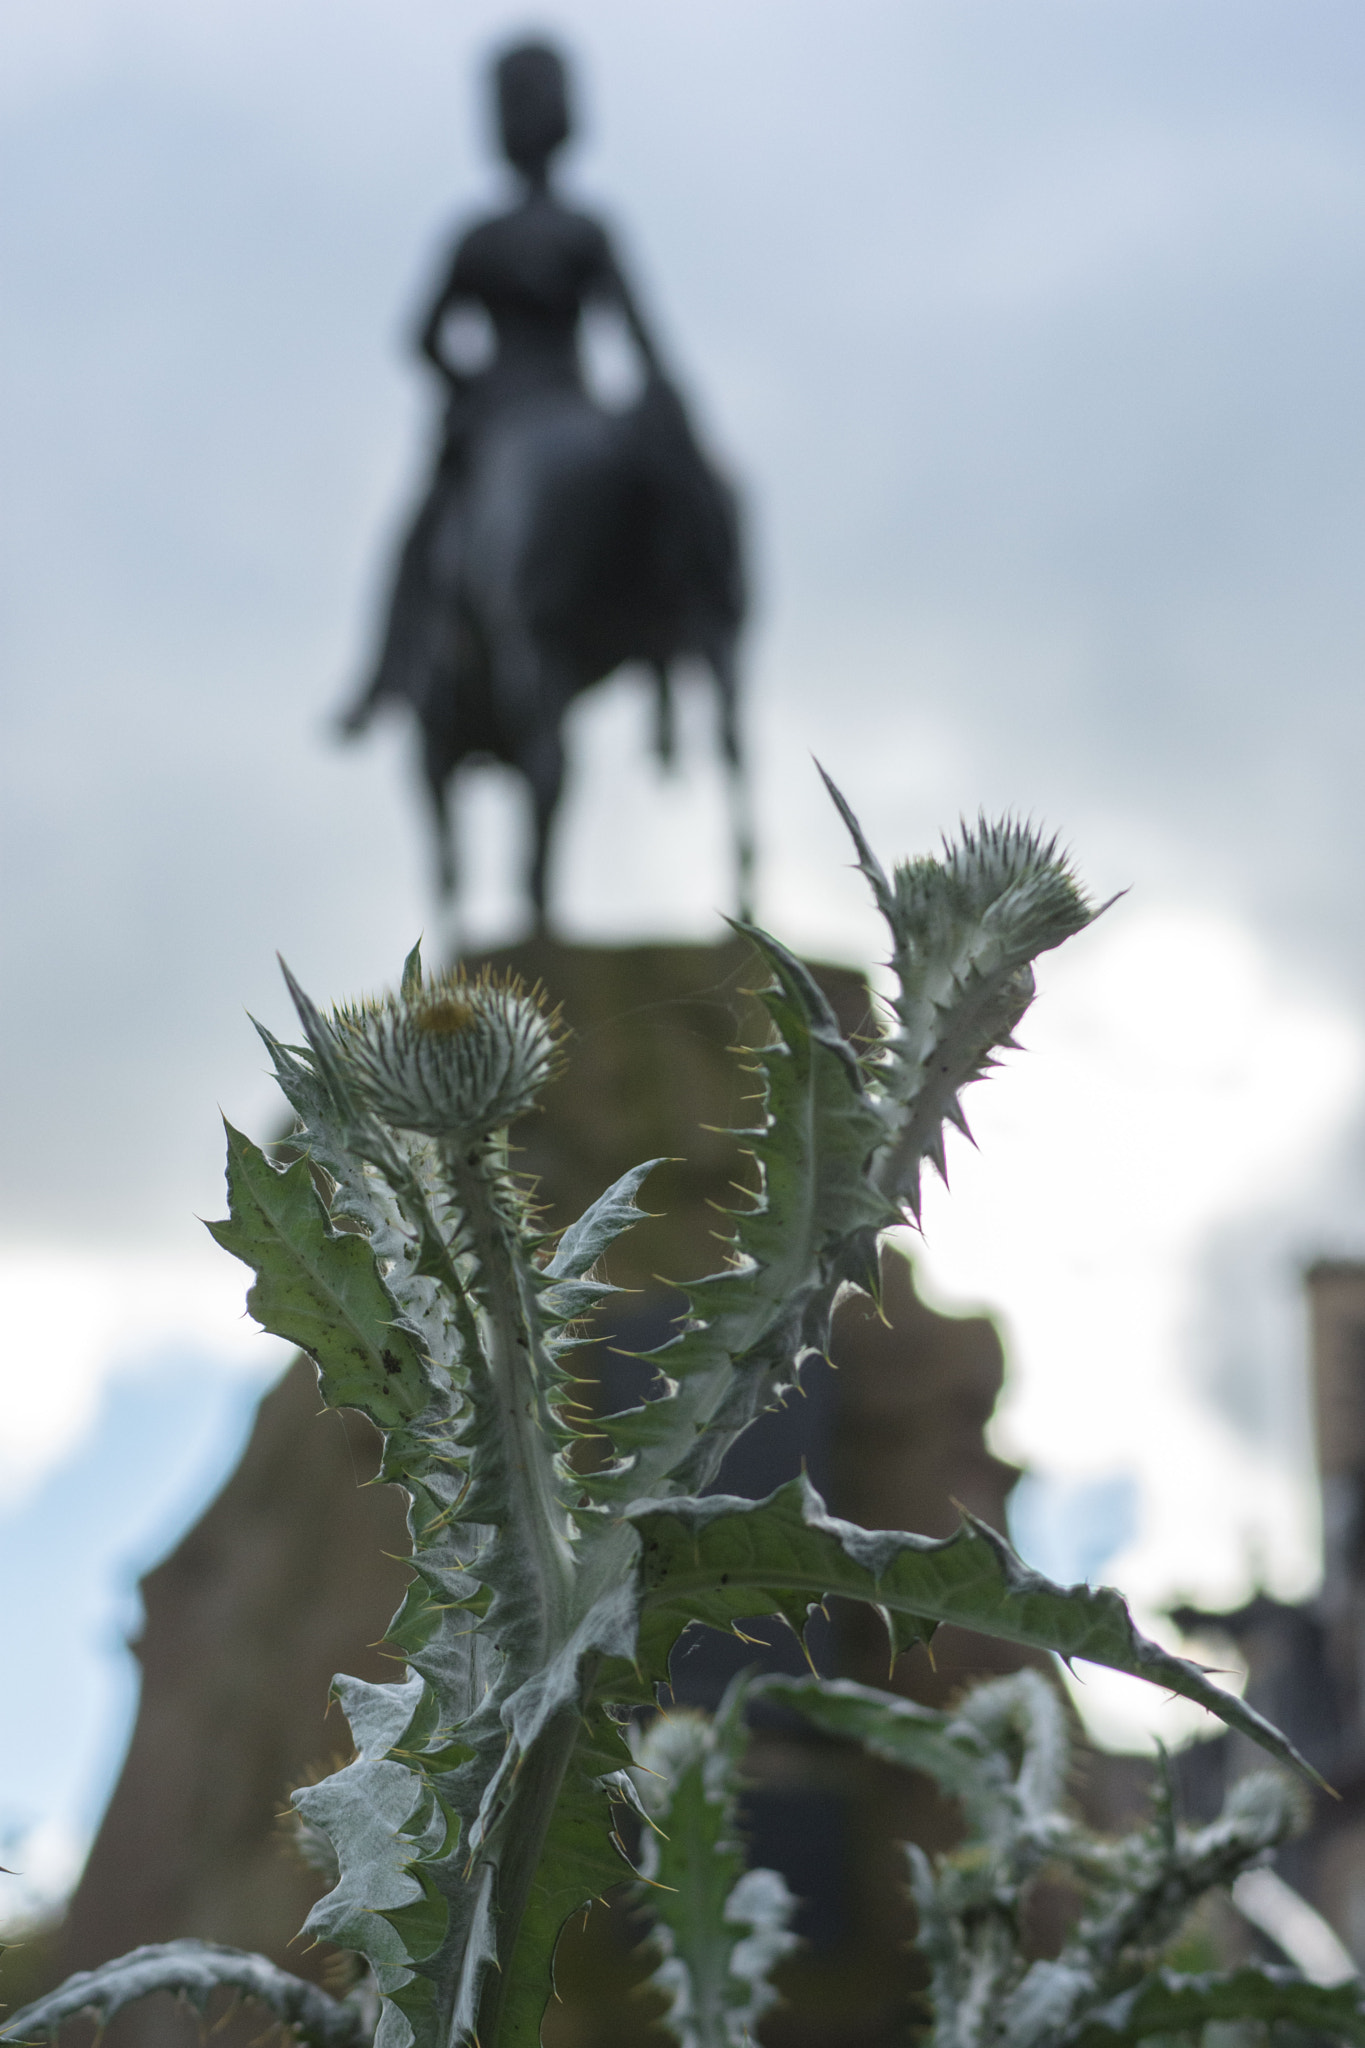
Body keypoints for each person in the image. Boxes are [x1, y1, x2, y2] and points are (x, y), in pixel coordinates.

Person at [349, 39, 665, 726]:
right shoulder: (585, 228)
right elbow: (642, 339)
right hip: (578, 402)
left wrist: (467, 384)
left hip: (500, 411)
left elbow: (421, 338)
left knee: (418, 536)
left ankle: (381, 674)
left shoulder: (479, 237)